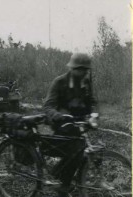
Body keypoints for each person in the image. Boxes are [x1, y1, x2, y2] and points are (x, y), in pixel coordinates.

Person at [43, 53, 97, 197]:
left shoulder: (85, 83)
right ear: (73, 68)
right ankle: (62, 183)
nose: (84, 73)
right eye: (81, 70)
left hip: (79, 123)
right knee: (77, 150)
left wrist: (93, 114)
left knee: (90, 149)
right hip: (62, 125)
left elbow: (91, 102)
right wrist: (59, 116)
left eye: (86, 70)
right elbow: (48, 107)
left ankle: (71, 179)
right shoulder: (59, 82)